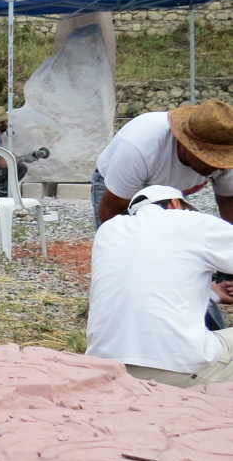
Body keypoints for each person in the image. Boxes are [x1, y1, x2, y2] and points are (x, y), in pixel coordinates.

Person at [87, 185, 233, 388]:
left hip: (106, 366)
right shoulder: (188, 221)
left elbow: (149, 284)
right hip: (173, 367)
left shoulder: (108, 231)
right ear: (175, 204)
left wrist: (212, 294)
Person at [90, 100, 233, 228]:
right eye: (210, 159)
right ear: (185, 144)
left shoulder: (226, 150)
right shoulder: (140, 148)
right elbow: (111, 213)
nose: (219, 166)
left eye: (223, 158)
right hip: (120, 190)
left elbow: (228, 203)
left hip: (172, 187)